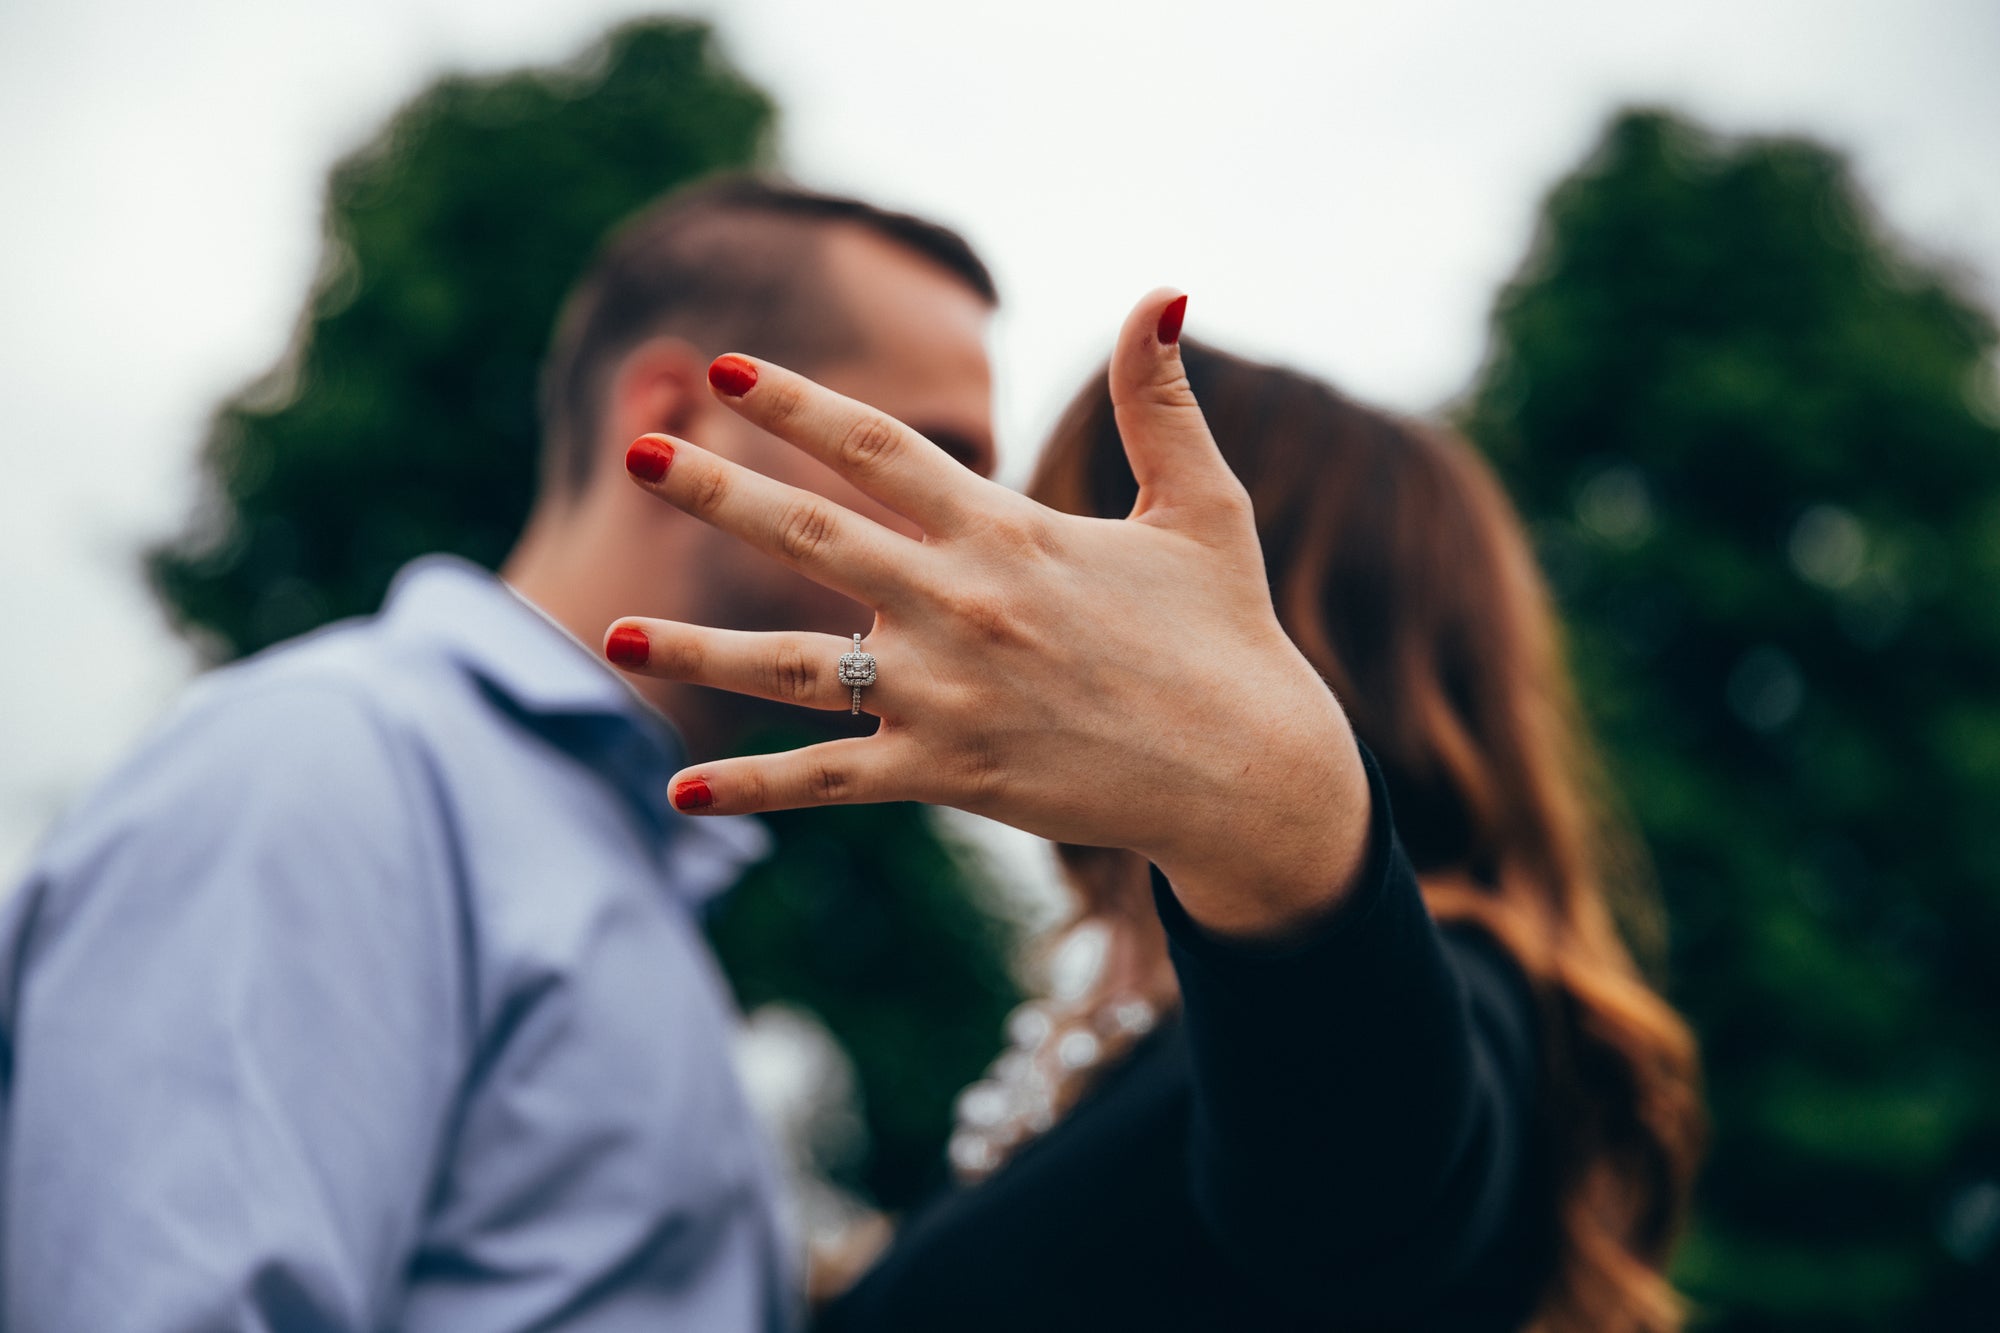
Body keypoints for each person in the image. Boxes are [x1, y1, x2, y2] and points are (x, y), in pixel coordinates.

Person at [0, 177, 999, 1331]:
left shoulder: (614, 843)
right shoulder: (329, 765)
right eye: (926, 451)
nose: (973, 522)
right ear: (675, 416)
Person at [603, 314, 1706, 1331]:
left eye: (1058, 533)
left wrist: (1281, 814)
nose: (993, 591)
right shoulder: (1127, 1030)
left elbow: (1360, 1207)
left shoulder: (1449, 993)